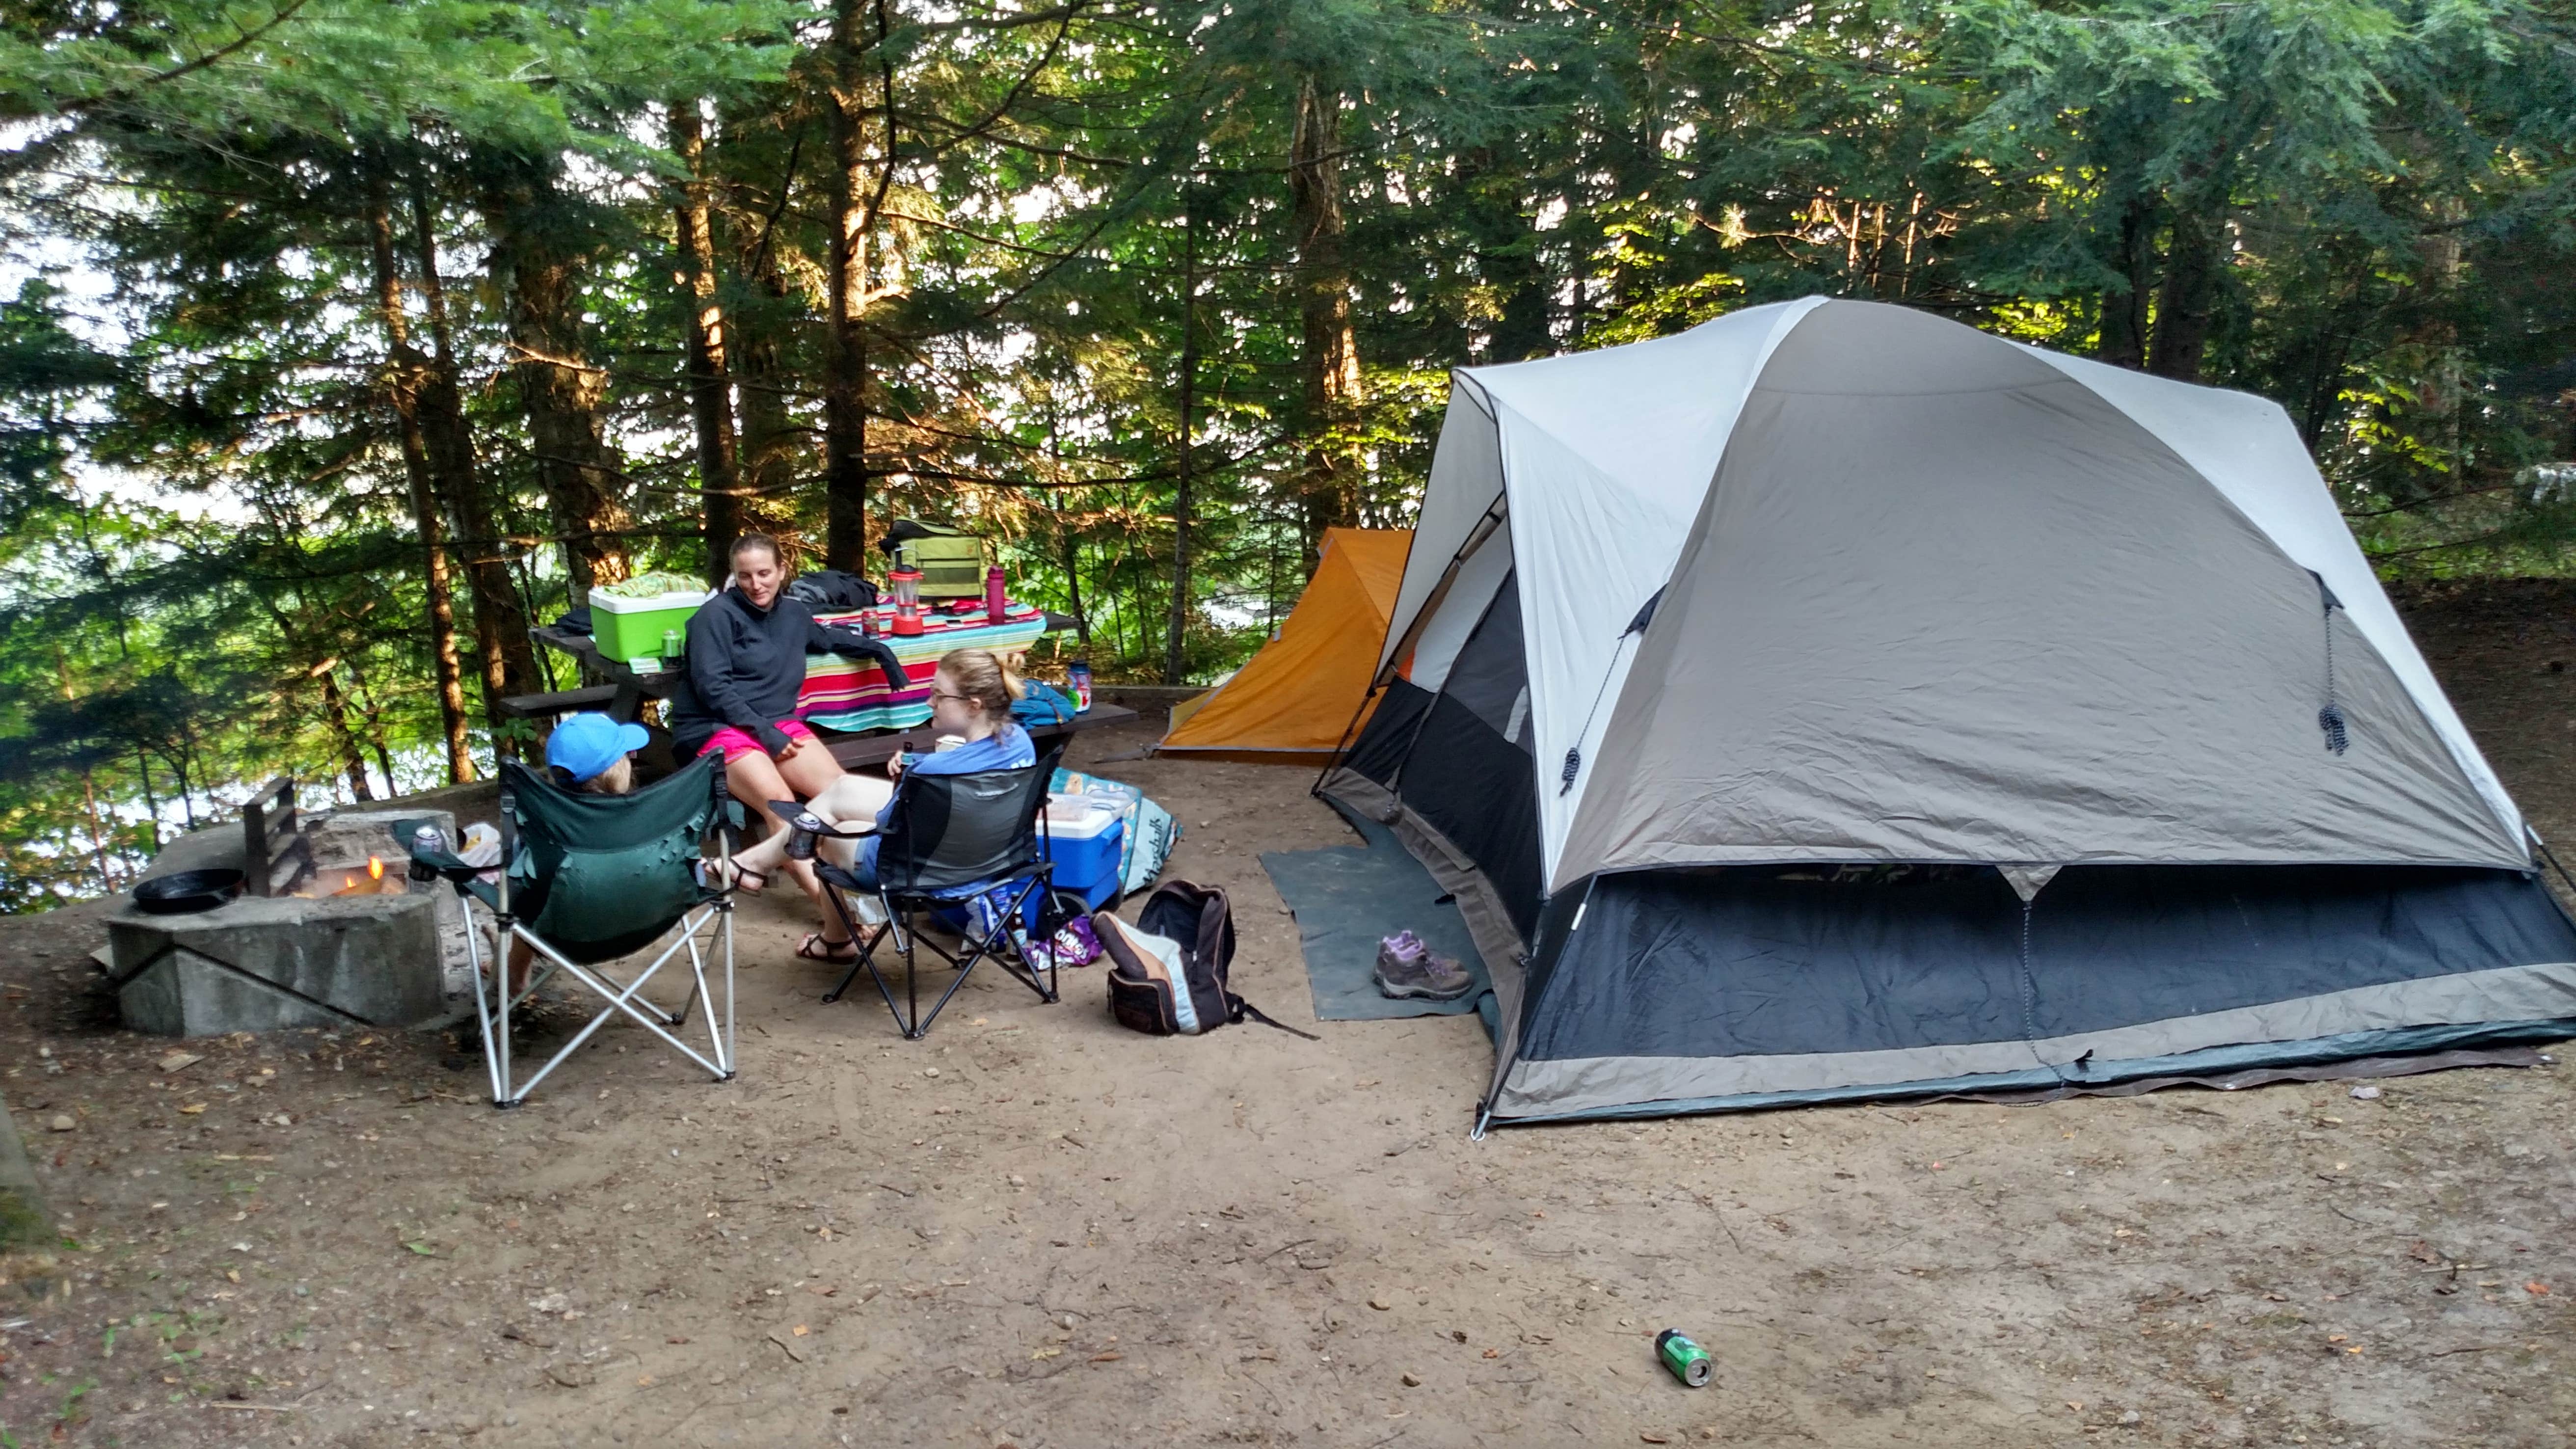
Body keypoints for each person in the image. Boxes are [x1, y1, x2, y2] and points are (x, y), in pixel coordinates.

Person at [728, 647, 1036, 963]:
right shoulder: (1019, 742)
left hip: (920, 873)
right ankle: (755, 865)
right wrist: (919, 765)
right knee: (843, 788)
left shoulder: (933, 773)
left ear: (974, 706)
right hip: (991, 860)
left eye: (939, 695)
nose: (930, 703)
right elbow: (967, 769)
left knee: (833, 831)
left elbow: (888, 823)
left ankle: (834, 939)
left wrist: (916, 773)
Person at [667, 532, 904, 915]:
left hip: (775, 724)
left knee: (843, 794)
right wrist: (764, 733)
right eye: (745, 576)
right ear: (733, 576)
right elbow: (713, 688)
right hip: (716, 725)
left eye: (764, 573)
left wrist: (881, 651)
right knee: (783, 809)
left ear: (782, 571)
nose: (755, 584)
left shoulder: (794, 613)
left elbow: (827, 639)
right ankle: (844, 924)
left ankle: (869, 884)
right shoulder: (714, 618)